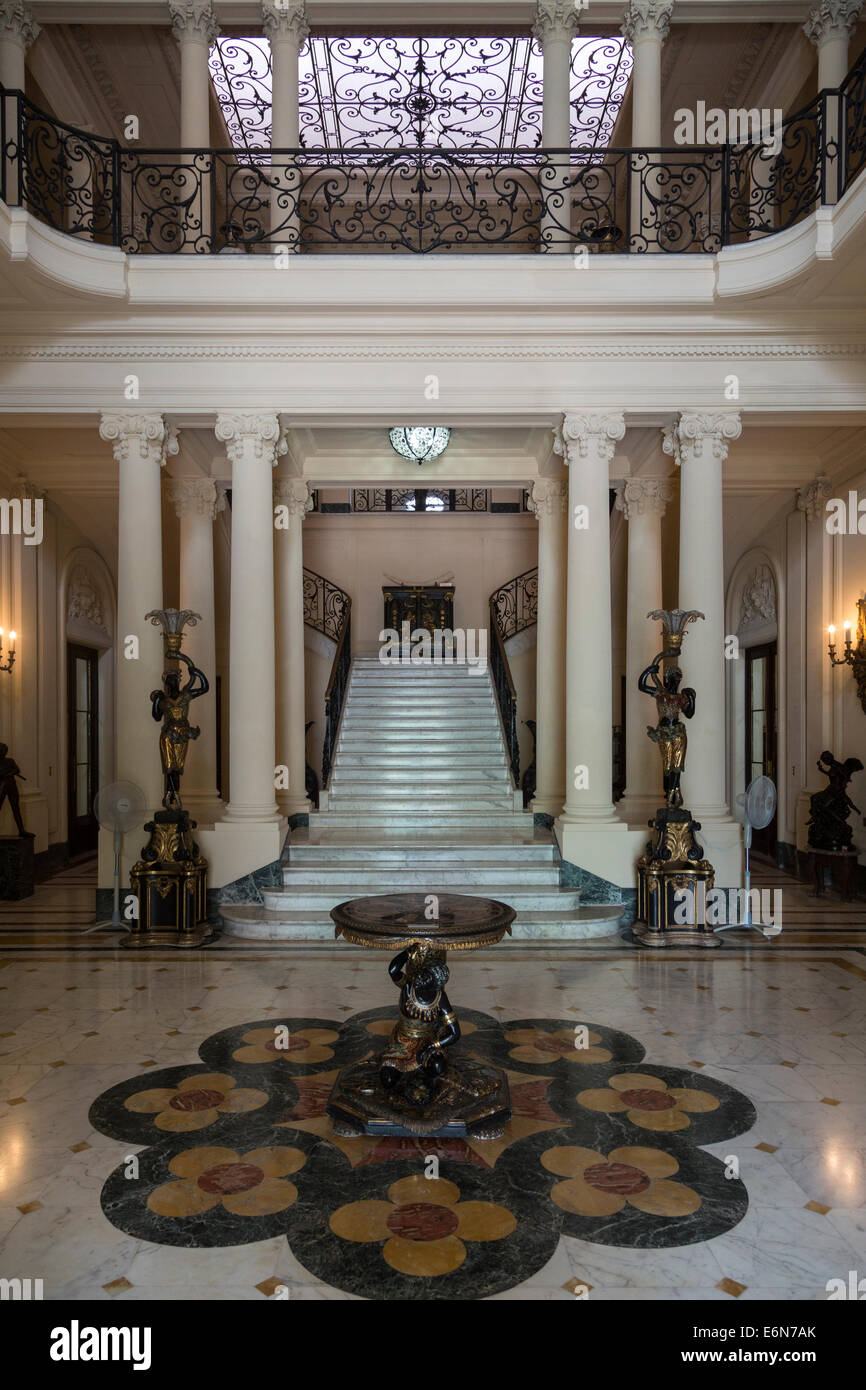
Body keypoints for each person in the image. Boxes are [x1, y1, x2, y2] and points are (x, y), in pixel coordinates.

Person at [638, 647, 697, 808]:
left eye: (679, 678)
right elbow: (642, 686)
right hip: (664, 732)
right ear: (668, 678)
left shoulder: (680, 697)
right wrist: (649, 670)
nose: (677, 681)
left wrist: (691, 699)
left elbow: (690, 713)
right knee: (667, 765)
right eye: (674, 678)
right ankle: (670, 792)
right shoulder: (660, 694)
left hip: (678, 731)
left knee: (677, 764)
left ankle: (674, 793)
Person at [0, 744, 27, 836]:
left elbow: (16, 770)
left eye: (5, 750)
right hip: (2, 786)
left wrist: (6, 774)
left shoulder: (10, 761)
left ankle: (21, 830)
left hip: (12, 786)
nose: (4, 752)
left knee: (16, 808)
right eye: (2, 750)